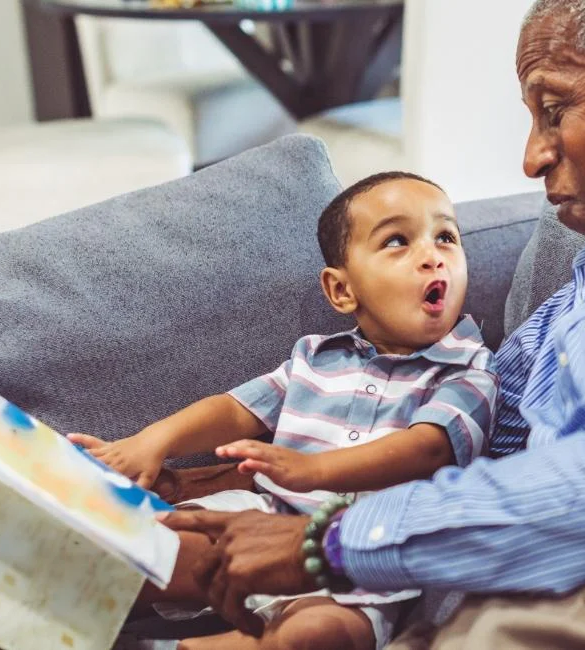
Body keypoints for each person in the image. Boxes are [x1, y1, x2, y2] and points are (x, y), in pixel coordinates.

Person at [157, 1, 585, 648]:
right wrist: (242, 496)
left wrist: (325, 543)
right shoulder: (576, 305)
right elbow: (449, 445)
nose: (532, 157)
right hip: (500, 606)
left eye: (554, 110)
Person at [70, 171, 498, 650]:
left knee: (317, 635)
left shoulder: (468, 369)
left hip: (361, 566)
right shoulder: (315, 357)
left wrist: (313, 469)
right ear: (341, 291)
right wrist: (153, 442)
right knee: (143, 548)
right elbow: (234, 410)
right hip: (261, 515)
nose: (431, 255)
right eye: (398, 241)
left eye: (446, 236)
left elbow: (426, 448)